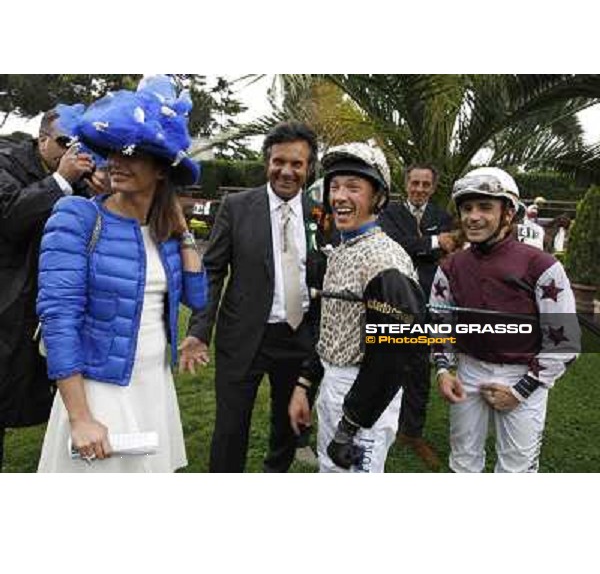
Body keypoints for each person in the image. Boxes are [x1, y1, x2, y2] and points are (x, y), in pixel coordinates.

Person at [36, 76, 207, 472]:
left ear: (163, 168)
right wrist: (80, 417)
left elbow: (196, 299)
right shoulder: (76, 217)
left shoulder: (165, 233)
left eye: (134, 153)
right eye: (114, 150)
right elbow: (59, 318)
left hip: (153, 386)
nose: (116, 161)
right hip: (96, 391)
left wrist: (182, 235)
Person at [180, 121, 326, 473]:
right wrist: (200, 330)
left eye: (297, 164)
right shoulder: (237, 206)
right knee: (230, 428)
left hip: (298, 338)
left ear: (309, 168)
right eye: (279, 161)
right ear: (267, 162)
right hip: (244, 335)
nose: (286, 171)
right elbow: (212, 270)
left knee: (289, 424)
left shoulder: (323, 215)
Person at [288, 143, 427, 473]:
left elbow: (394, 355)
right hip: (336, 387)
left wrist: (349, 426)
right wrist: (305, 385)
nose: (339, 197)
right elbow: (329, 325)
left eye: (353, 187)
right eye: (334, 187)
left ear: (378, 197)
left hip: (365, 400)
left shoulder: (384, 261)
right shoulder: (343, 248)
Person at [431, 167, 580, 473]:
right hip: (468, 371)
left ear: (509, 213)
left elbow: (565, 340)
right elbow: (438, 322)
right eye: (467, 207)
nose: (473, 216)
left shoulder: (542, 265)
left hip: (523, 375)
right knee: (462, 463)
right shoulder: (451, 265)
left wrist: (521, 390)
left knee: (516, 470)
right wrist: (443, 370)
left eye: (485, 207)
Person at [0, 104, 95, 471]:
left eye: (80, 142)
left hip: (50, 302)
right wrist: (61, 181)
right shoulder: (6, 161)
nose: (74, 150)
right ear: (42, 139)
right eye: (65, 141)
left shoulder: (81, 177)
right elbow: (10, 217)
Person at [379, 163, 456, 469]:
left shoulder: (442, 217)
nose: (420, 189)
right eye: (415, 183)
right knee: (385, 363)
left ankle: (412, 432)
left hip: (428, 305)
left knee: (419, 371)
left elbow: (452, 251)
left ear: (433, 187)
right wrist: (435, 244)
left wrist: (424, 249)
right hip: (394, 302)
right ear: (405, 183)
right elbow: (392, 246)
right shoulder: (389, 215)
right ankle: (381, 421)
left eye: (426, 184)